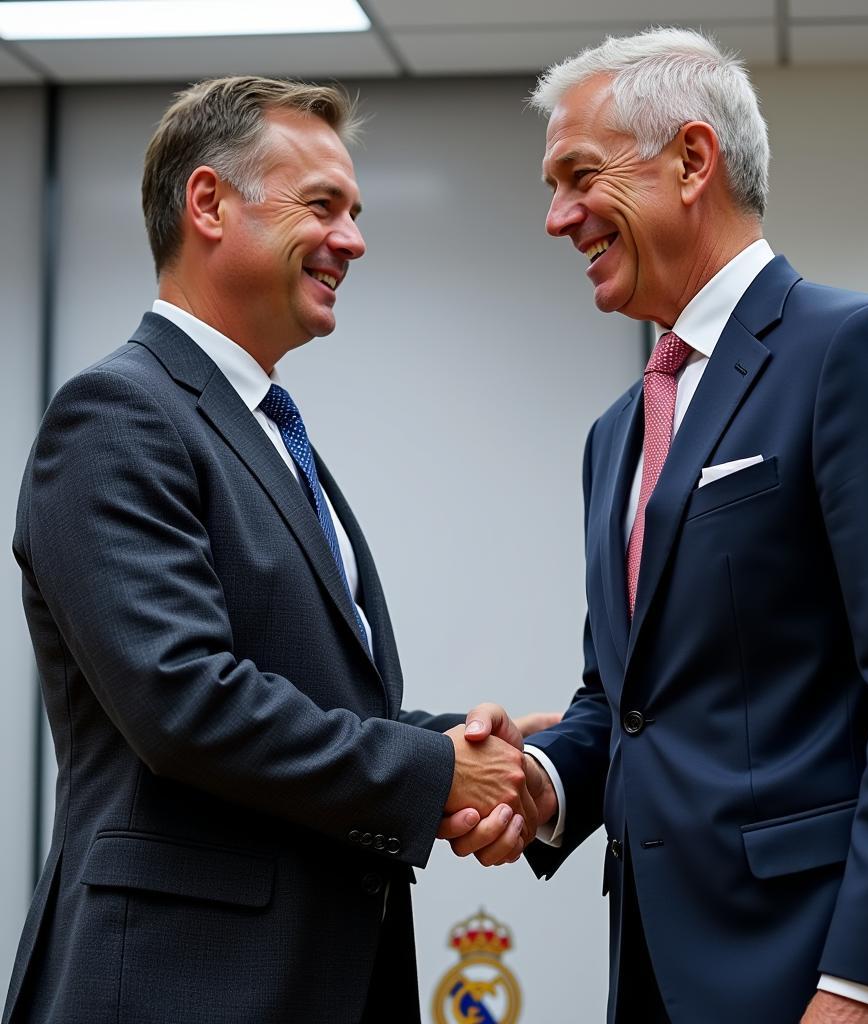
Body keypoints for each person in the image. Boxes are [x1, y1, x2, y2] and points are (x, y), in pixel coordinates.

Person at [454, 27, 868, 1024]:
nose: (555, 217)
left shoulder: (855, 353)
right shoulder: (615, 433)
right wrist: (544, 781)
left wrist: (867, 984)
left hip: (827, 975)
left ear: (692, 160)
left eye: (579, 175)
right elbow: (623, 700)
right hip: (662, 976)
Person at [3, 76, 544, 1024]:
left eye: (357, 211)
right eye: (322, 205)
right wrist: (432, 775)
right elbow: (185, 701)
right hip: (182, 987)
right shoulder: (118, 415)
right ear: (208, 203)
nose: (354, 238)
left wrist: (453, 746)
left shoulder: (264, 429)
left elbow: (301, 694)